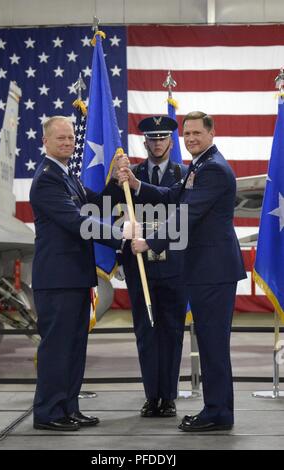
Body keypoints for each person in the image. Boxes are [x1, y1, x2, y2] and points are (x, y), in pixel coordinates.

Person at [117, 111, 246, 432]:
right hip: (205, 270)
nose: (190, 139)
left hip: (213, 270)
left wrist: (150, 242)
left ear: (211, 133)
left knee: (213, 343)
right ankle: (217, 410)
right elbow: (172, 195)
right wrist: (136, 184)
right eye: (186, 134)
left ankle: (217, 413)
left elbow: (186, 214)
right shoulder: (200, 166)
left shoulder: (213, 169)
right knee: (209, 341)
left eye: (196, 133)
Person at [30, 116, 125, 431]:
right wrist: (122, 237)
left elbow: (96, 208)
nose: (67, 143)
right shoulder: (47, 180)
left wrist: (115, 180)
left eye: (70, 138)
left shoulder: (67, 176)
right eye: (60, 138)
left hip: (74, 279)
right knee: (57, 348)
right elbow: (77, 222)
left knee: (74, 348)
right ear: (45, 141)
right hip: (57, 281)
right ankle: (48, 412)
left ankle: (68, 407)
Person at [119, 116, 188, 417]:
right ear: (144, 142)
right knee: (145, 332)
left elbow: (185, 219)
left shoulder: (184, 175)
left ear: (171, 142)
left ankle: (169, 396)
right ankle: (151, 396)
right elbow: (116, 215)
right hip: (140, 266)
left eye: (162, 138)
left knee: (172, 332)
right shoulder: (128, 175)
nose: (157, 142)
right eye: (152, 138)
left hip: (175, 266)